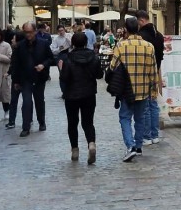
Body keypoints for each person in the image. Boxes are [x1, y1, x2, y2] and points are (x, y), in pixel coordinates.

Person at [108, 16, 157, 162]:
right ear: (138, 28)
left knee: (125, 117)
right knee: (140, 118)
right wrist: (154, 90)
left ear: (126, 30)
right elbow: (153, 71)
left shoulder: (121, 46)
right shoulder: (149, 46)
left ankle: (130, 146)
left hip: (127, 89)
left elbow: (112, 66)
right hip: (143, 88)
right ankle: (139, 146)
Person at [59, 31, 103, 164]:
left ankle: (75, 150)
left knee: (72, 123)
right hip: (89, 94)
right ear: (86, 43)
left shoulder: (68, 58)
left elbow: (64, 78)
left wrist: (61, 69)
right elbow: (99, 75)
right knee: (88, 122)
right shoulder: (93, 57)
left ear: (72, 43)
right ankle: (91, 144)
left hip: (71, 95)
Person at [10, 20, 53, 138]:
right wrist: (16, 80)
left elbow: (51, 58)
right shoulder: (20, 46)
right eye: (26, 32)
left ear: (35, 31)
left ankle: (41, 122)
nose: (28, 34)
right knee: (27, 102)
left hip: (39, 78)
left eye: (30, 32)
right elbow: (16, 64)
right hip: (25, 78)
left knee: (39, 101)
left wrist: (43, 65)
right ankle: (26, 127)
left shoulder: (43, 44)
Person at [137, 9, 164, 147]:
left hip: (144, 74)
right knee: (153, 105)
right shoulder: (159, 35)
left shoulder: (141, 36)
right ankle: (155, 134)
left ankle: (146, 136)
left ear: (141, 21)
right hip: (155, 72)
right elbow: (161, 57)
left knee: (145, 107)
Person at [5, 31, 25, 130]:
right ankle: (12, 121)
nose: (12, 40)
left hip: (21, 79)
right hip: (17, 79)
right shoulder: (16, 50)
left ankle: (15, 121)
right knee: (14, 101)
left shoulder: (19, 51)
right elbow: (13, 65)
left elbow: (15, 65)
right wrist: (9, 72)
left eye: (14, 38)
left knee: (21, 101)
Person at [51, 24, 72, 96]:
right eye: (59, 31)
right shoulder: (56, 39)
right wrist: (59, 49)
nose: (61, 32)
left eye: (62, 30)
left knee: (71, 73)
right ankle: (64, 91)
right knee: (62, 73)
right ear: (57, 31)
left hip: (70, 55)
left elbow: (74, 45)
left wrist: (69, 41)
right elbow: (53, 50)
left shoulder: (69, 35)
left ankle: (70, 90)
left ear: (64, 29)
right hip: (61, 56)